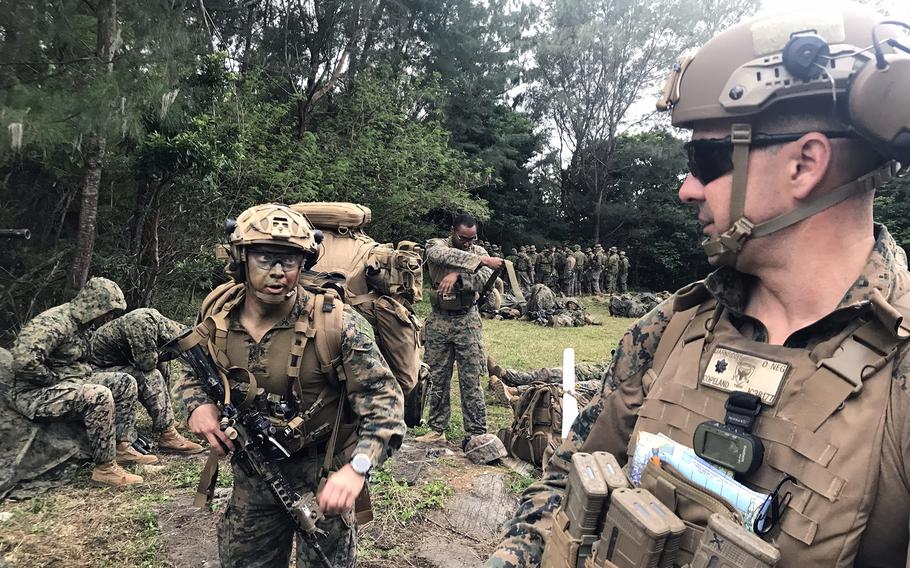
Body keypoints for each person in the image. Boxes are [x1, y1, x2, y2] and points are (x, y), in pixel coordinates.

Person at [487, 5, 910, 567]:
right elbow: (565, 480)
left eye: (706, 158)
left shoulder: (898, 378)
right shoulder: (667, 330)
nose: (687, 188)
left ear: (806, 163)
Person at [177, 203, 405, 567]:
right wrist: (198, 406)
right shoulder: (218, 316)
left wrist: (357, 469)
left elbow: (386, 404)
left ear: (305, 263)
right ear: (242, 259)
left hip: (324, 474)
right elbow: (194, 369)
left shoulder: (337, 324)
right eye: (266, 258)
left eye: (290, 261)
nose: (278, 272)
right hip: (253, 474)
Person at [8, 277, 157, 488]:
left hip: (70, 382)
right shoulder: (55, 323)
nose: (109, 317)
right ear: (94, 305)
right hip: (34, 393)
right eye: (108, 311)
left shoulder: (84, 324)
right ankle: (105, 469)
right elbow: (22, 361)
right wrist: (52, 378)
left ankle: (122, 447)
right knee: (98, 395)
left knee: (125, 382)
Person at [416, 213, 502, 445]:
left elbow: (485, 279)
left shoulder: (479, 252)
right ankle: (437, 428)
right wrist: (478, 263)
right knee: (437, 377)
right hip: (439, 320)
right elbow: (438, 255)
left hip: (467, 321)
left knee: (471, 377)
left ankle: (475, 431)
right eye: (463, 238)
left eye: (472, 239)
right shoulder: (437, 244)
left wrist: (458, 277)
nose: (468, 243)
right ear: (453, 231)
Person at [90, 308, 203, 454]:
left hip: (112, 364)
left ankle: (164, 417)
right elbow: (146, 363)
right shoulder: (141, 323)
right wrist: (166, 353)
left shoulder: (154, 321)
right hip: (95, 371)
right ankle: (168, 435)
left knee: (162, 363)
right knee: (150, 374)